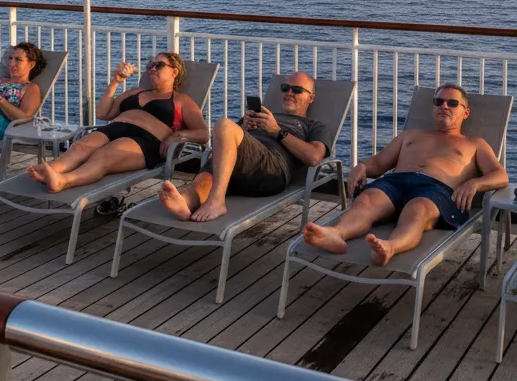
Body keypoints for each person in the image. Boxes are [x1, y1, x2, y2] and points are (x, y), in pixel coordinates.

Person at [301, 83, 508, 266]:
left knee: (416, 210)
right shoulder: (410, 135)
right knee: (367, 200)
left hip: (435, 190)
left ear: (465, 113)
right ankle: (336, 234)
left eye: (452, 103)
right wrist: (362, 166)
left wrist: (475, 185)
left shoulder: (474, 144)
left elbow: (500, 175)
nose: (444, 106)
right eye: (439, 101)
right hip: (395, 182)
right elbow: (380, 162)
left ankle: (390, 247)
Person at [158, 71, 334, 223]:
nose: (289, 93)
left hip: (272, 168)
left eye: (296, 90)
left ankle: (217, 201)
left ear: (311, 97)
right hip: (238, 167)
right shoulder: (265, 115)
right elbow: (225, 142)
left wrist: (277, 131)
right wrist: (243, 127)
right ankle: (185, 203)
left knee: (224, 124)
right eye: (285, 88)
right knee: (209, 173)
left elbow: (314, 157)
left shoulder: (313, 125)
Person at [26, 52, 208, 193]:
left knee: (104, 155)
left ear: (174, 72)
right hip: (114, 128)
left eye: (159, 65)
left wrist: (177, 135)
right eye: (151, 65)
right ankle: (49, 170)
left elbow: (203, 134)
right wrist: (116, 81)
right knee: (80, 146)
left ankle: (63, 181)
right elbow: (103, 113)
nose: (152, 68)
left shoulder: (181, 100)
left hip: (145, 140)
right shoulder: (134, 92)